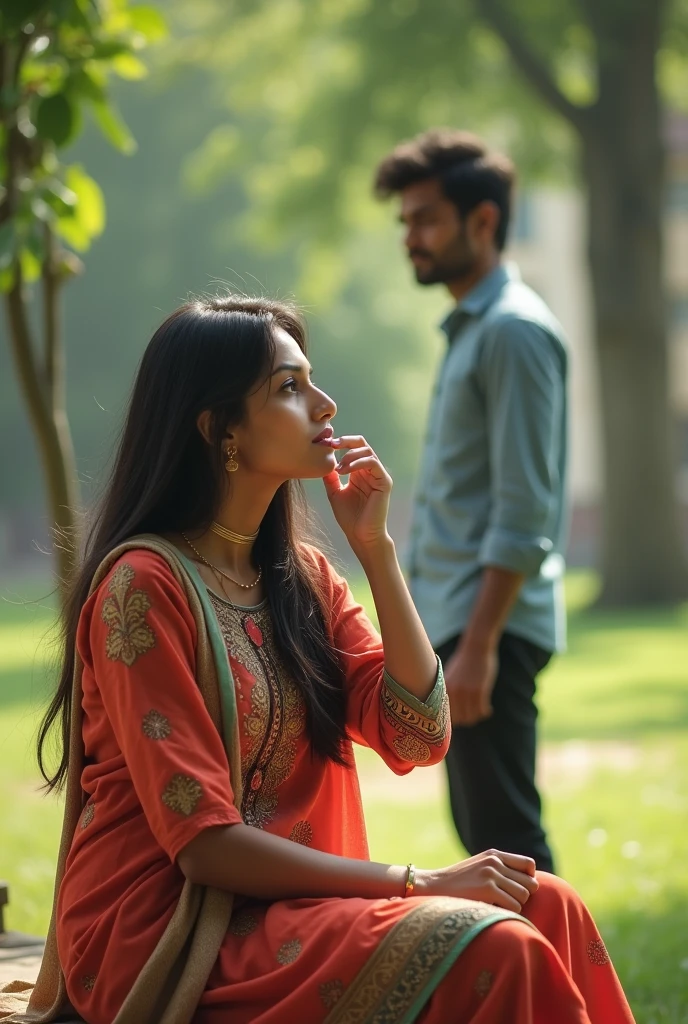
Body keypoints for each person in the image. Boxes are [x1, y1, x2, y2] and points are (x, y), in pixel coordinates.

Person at [1, 297, 633, 1024]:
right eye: (289, 388)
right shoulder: (141, 589)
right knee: (497, 944)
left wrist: (376, 550)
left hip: (295, 907)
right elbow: (204, 847)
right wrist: (416, 883)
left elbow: (419, 735)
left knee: (547, 901)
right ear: (219, 430)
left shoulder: (300, 577)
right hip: (170, 927)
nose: (325, 403)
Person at [375, 129, 568, 873]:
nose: (410, 239)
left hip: (488, 626)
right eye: (405, 224)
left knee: (509, 836)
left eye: (424, 219)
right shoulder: (474, 332)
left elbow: (524, 508)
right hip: (460, 622)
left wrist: (480, 645)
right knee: (486, 828)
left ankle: (569, 989)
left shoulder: (513, 333)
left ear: (482, 221)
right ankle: (548, 987)